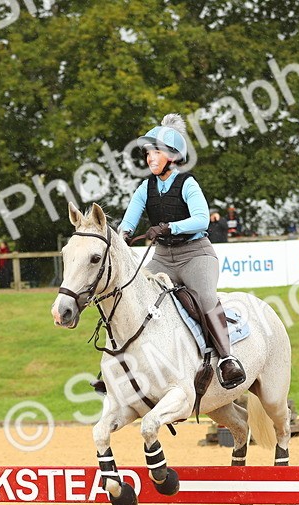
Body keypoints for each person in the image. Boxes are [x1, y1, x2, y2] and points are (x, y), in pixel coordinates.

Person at [120, 113, 245, 390]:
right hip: (162, 258)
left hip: (196, 255)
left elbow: (202, 220)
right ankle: (122, 366)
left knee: (206, 298)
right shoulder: (145, 187)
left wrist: (168, 227)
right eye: (148, 153)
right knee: (133, 294)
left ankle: (228, 359)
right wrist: (123, 236)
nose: (150, 158)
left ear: (174, 156)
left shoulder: (188, 183)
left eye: (156, 152)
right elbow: (128, 220)